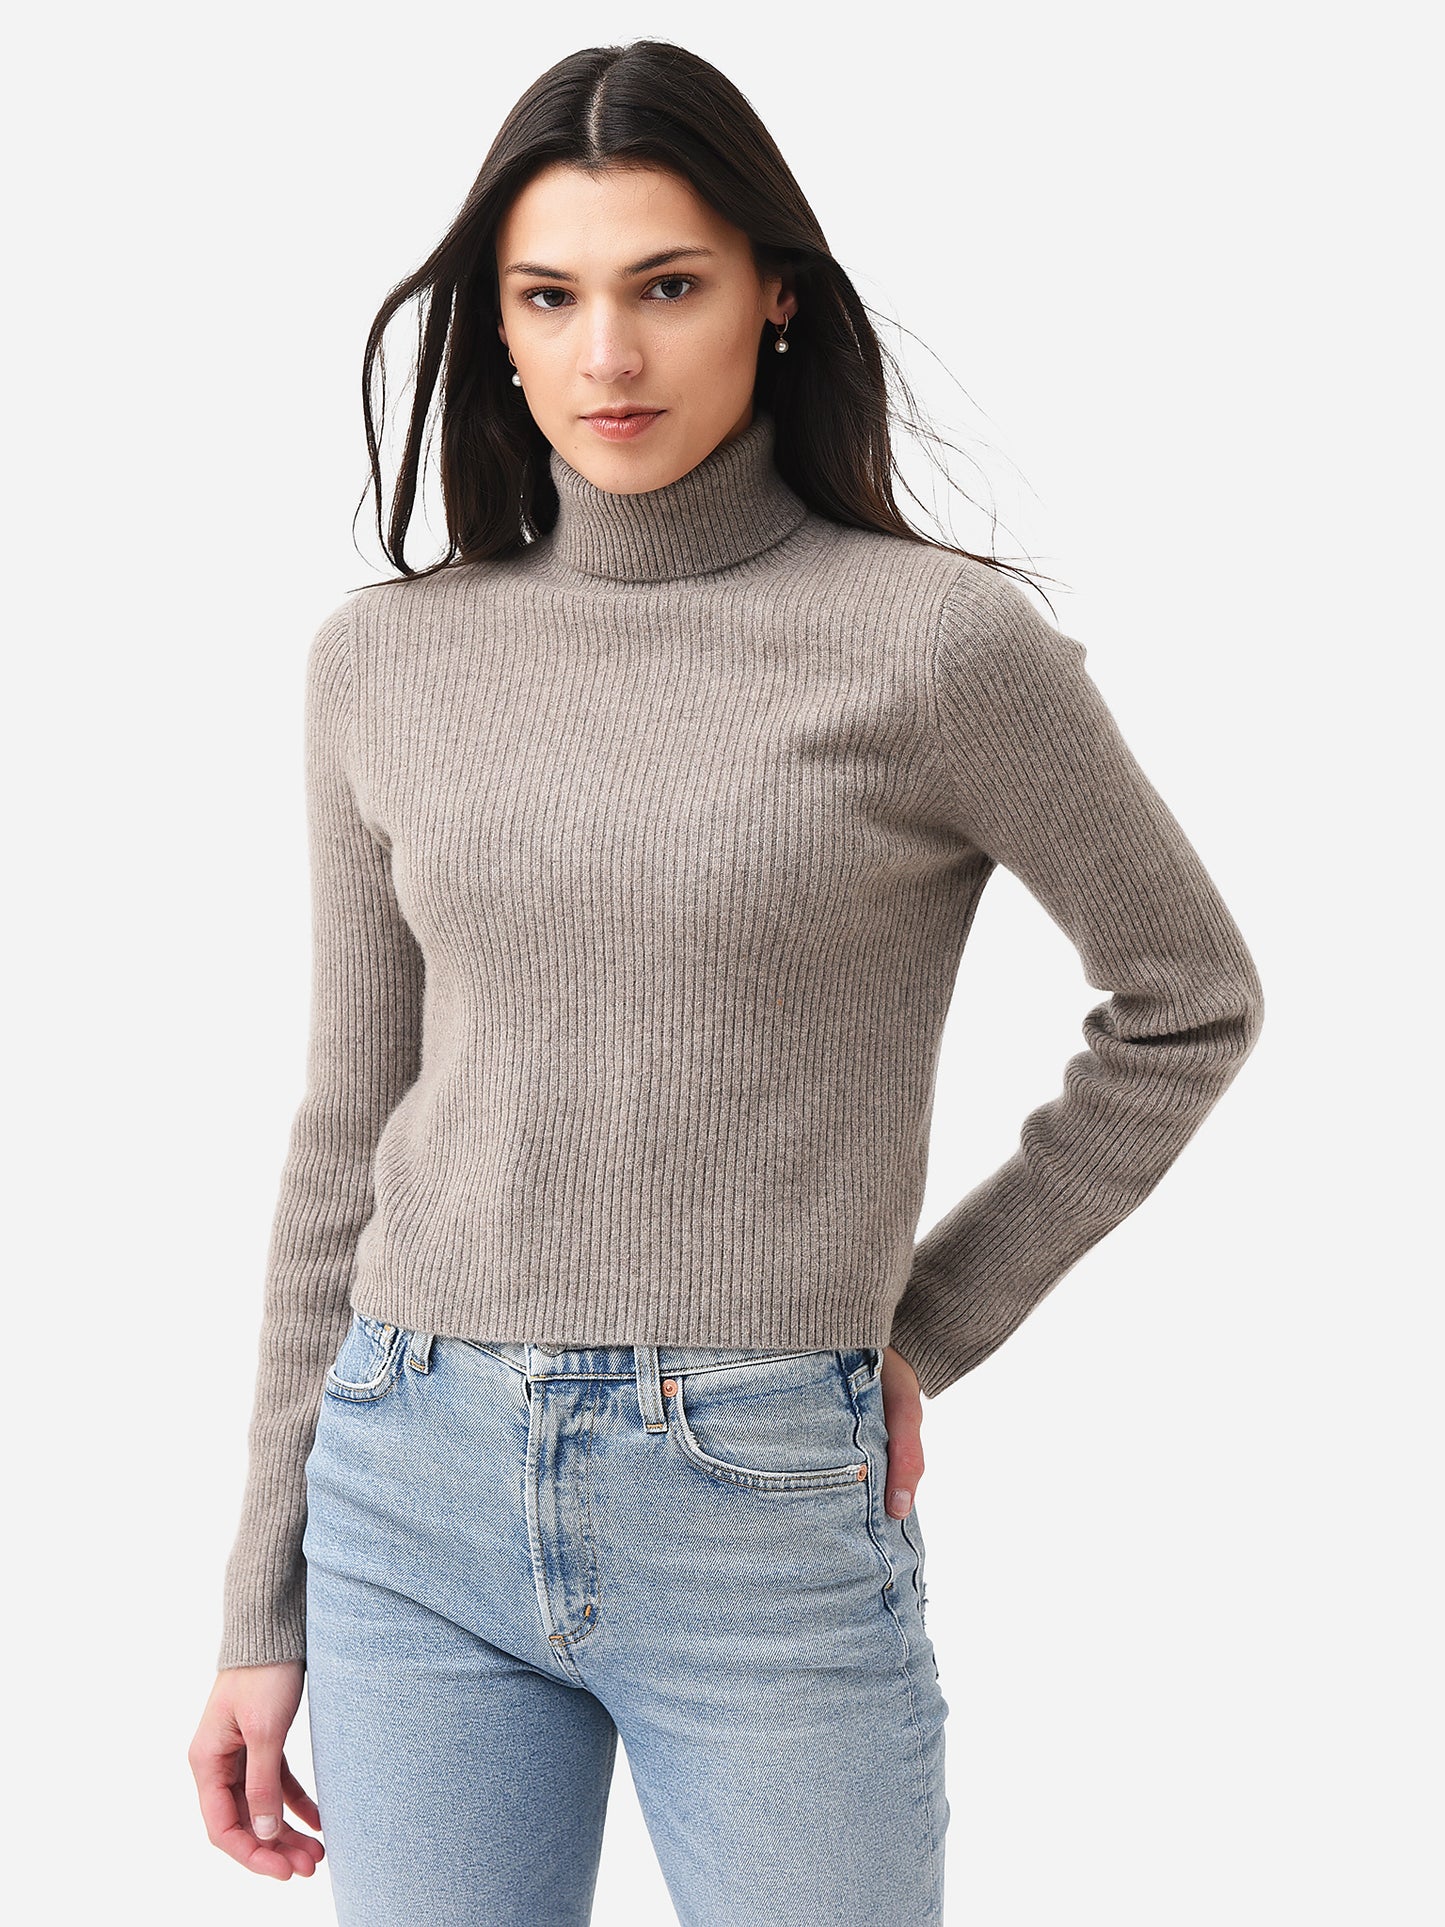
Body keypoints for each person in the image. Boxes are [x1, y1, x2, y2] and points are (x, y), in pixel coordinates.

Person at [188, 38, 1265, 1927]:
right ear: (494, 326)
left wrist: (919, 1329)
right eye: (549, 297)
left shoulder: (936, 646)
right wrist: (256, 1604)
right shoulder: (384, 660)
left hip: (758, 1492)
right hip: (404, 1482)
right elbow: (349, 1130)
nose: (606, 356)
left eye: (666, 286)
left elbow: (1183, 1003)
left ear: (774, 294)